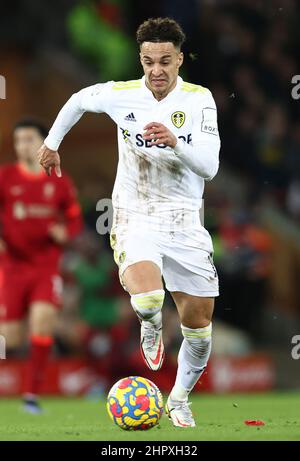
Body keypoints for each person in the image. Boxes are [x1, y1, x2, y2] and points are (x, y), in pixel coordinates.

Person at [37, 17, 221, 427]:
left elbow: (209, 166)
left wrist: (175, 143)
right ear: (141, 59)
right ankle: (150, 324)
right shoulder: (123, 94)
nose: (156, 70)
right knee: (149, 299)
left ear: (179, 61)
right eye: (148, 61)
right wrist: (51, 144)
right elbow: (79, 99)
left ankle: (179, 399)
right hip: (134, 213)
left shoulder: (198, 100)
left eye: (165, 61)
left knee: (199, 323)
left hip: (185, 220)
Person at [0, 119, 83, 413]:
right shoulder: (5, 177)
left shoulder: (59, 180)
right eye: (18, 140)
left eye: (29, 139)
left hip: (46, 266)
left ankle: (31, 397)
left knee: (43, 321)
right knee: (10, 338)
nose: (23, 145)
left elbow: (74, 218)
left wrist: (66, 232)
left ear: (44, 141)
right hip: (11, 266)